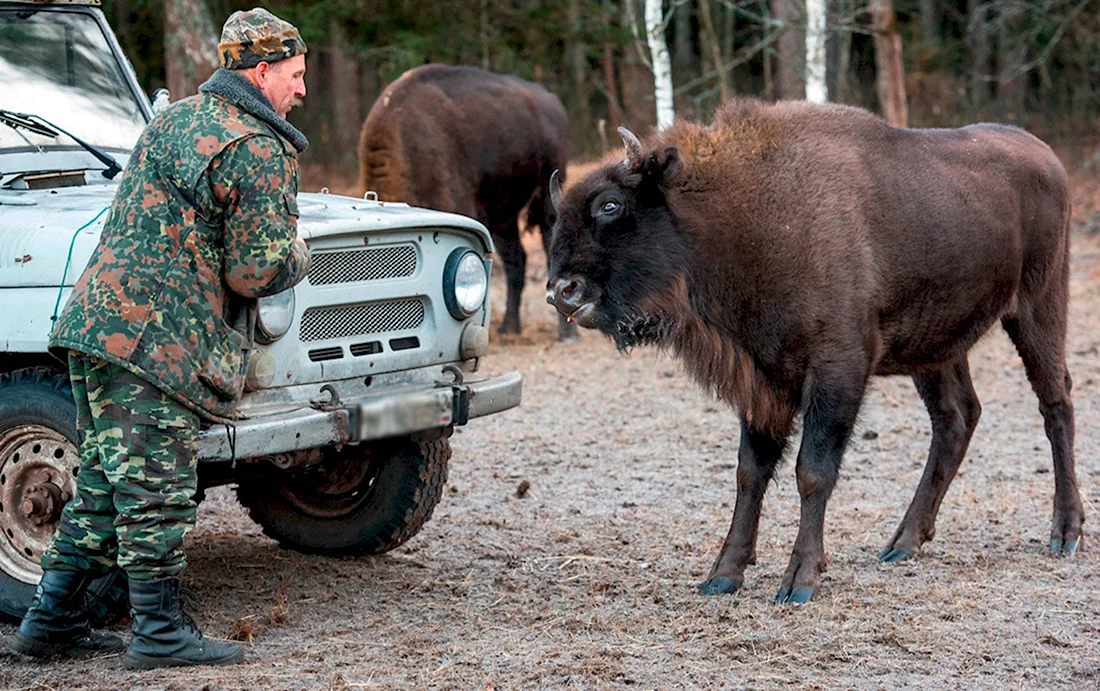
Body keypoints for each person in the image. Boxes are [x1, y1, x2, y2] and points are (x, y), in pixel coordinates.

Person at [10, 8, 312, 669]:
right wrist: (300, 251)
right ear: (261, 73)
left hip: (97, 326)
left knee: (103, 483)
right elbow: (255, 269)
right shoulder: (257, 145)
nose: (301, 89)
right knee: (156, 487)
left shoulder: (173, 120)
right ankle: (158, 633)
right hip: (156, 345)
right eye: (295, 74)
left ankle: (49, 622)